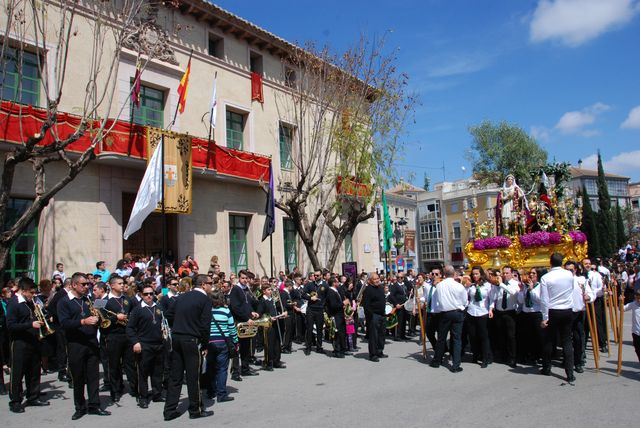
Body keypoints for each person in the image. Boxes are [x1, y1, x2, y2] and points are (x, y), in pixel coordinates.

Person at [57, 273, 110, 420]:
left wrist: (100, 318)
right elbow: (64, 323)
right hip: (76, 344)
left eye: (88, 284)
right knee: (78, 377)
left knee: (93, 376)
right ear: (74, 285)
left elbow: (101, 311)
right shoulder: (64, 302)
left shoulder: (89, 300)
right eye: (83, 284)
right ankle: (79, 407)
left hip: (91, 342)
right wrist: (83, 322)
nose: (87, 287)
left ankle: (94, 405)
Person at [163, 274, 214, 421]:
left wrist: (180, 324)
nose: (212, 286)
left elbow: (168, 314)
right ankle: (195, 409)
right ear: (203, 284)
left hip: (177, 337)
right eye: (210, 283)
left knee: (175, 376)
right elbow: (205, 325)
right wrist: (205, 344)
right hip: (192, 339)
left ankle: (169, 410)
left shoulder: (182, 296)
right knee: (193, 377)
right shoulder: (204, 299)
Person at [6, 277, 49, 413]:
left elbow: (33, 316)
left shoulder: (30, 302)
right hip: (19, 342)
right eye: (31, 292)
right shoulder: (14, 303)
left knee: (34, 370)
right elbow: (11, 325)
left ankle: (33, 396)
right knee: (18, 373)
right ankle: (15, 401)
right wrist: (30, 324)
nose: (33, 295)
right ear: (23, 291)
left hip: (33, 340)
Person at [126, 284, 165, 408]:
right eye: (146, 294)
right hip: (144, 344)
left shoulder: (158, 307)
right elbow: (130, 328)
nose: (149, 296)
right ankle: (142, 397)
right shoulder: (137, 310)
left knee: (157, 371)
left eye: (151, 293)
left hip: (158, 344)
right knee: (143, 372)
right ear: (141, 295)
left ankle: (157, 394)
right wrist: (135, 342)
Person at [540, 252, 576, 383]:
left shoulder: (546, 277)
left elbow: (544, 299)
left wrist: (545, 317)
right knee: (567, 340)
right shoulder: (569, 274)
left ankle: (547, 367)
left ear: (550, 262)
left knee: (549, 340)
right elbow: (571, 290)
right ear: (561, 263)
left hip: (553, 310)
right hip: (567, 309)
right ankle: (570, 373)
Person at [104, 275, 138, 402]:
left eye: (123, 283)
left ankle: (135, 388)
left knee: (130, 363)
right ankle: (116, 390)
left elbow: (135, 313)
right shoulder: (104, 300)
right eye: (119, 283)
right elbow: (101, 318)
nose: (122, 285)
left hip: (127, 335)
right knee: (114, 364)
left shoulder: (128, 299)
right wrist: (115, 318)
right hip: (113, 336)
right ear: (112, 285)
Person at [429, 266, 468, 372]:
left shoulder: (440, 286)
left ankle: (437, 360)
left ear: (444, 274)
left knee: (442, 338)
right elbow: (465, 300)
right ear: (454, 274)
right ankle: (456, 365)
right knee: (456, 339)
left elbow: (436, 300)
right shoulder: (459, 286)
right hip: (456, 312)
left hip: (445, 313)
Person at [206, 290, 238, 402]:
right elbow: (231, 328)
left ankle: (210, 391)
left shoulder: (207, 311)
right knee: (222, 368)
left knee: (210, 367)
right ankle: (221, 394)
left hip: (209, 342)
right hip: (223, 341)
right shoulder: (226, 310)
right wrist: (235, 341)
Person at [228, 270, 260, 378]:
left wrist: (252, 312)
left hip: (247, 321)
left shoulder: (246, 289)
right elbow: (235, 307)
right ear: (239, 278)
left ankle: (245, 368)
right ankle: (235, 372)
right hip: (239, 322)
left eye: (246, 278)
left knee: (246, 346)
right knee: (237, 347)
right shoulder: (236, 290)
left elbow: (247, 305)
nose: (245, 280)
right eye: (242, 278)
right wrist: (246, 318)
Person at [567, 261, 594, 374]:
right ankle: (568, 360)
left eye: (571, 270)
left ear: (575, 270)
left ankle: (578, 361)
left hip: (578, 312)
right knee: (566, 339)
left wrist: (588, 297)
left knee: (578, 338)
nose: (569, 272)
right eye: (566, 270)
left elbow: (590, 293)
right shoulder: (561, 281)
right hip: (566, 313)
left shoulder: (581, 280)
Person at [491, 266, 519, 368]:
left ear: (512, 273)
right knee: (500, 335)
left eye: (507, 273)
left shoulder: (515, 283)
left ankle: (512, 357)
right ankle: (503, 355)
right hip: (499, 312)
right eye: (504, 273)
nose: (505, 275)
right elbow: (493, 297)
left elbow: (512, 292)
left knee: (511, 336)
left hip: (510, 313)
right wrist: (496, 286)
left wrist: (501, 284)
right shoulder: (498, 284)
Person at [466, 267, 493, 368]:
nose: (475, 276)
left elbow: (491, 299)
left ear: (481, 274)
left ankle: (486, 357)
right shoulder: (471, 286)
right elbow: (466, 297)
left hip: (483, 313)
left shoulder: (487, 285)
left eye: (477, 274)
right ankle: (475, 354)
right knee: (473, 336)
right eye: (473, 274)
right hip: (472, 312)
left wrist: (490, 309)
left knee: (483, 336)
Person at [517, 268, 545, 365]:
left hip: (536, 313)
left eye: (534, 273)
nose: (531, 275)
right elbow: (521, 301)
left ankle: (538, 355)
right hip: (526, 313)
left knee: (538, 337)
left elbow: (540, 300)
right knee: (527, 336)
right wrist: (521, 291)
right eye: (530, 273)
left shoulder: (540, 286)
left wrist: (532, 289)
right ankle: (528, 355)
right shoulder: (525, 286)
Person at [257, 284, 286, 370]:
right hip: (268, 325)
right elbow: (260, 314)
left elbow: (278, 309)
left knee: (277, 343)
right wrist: (270, 318)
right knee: (269, 344)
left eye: (270, 289)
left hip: (276, 323)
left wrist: (282, 313)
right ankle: (268, 363)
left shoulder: (273, 300)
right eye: (268, 290)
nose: (270, 291)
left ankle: (277, 361)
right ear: (264, 291)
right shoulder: (262, 301)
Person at [361, 273, 386, 362]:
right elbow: (366, 305)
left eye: (378, 278)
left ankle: (380, 351)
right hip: (373, 316)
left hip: (382, 314)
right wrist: (371, 316)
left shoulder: (380, 287)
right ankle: (373, 354)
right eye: (375, 279)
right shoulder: (368, 290)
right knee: (373, 336)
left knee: (381, 334)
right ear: (370, 280)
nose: (377, 280)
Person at [302, 271, 326, 355]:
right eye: (314, 275)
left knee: (319, 329)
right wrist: (310, 297)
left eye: (317, 275)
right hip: (311, 309)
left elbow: (327, 297)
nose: (316, 276)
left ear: (321, 276)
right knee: (309, 328)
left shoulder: (325, 285)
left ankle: (319, 347)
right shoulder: (310, 284)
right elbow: (303, 294)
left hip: (320, 309)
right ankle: (308, 347)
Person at [325, 277, 348, 358]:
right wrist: (343, 303)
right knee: (336, 334)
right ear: (334, 283)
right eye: (337, 282)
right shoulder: (330, 292)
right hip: (335, 316)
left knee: (342, 333)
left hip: (340, 315)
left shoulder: (336, 291)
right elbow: (333, 305)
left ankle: (342, 349)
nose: (339, 283)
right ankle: (336, 351)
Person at [623, 289, 640, 363]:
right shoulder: (633, 304)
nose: (639, 300)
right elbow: (622, 309)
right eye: (637, 298)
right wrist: (621, 301)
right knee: (638, 350)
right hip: (636, 332)